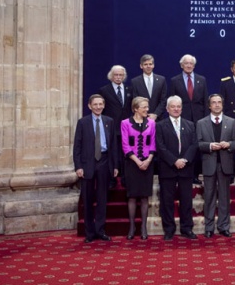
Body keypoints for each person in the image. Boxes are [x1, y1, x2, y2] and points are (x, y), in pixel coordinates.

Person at [73, 94, 119, 243]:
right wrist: (78, 166)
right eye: (95, 104)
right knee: (87, 199)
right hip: (87, 164)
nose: (98, 107)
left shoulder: (109, 122)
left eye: (100, 104)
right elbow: (77, 147)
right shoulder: (83, 122)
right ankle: (90, 232)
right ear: (89, 106)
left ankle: (100, 230)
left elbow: (113, 146)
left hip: (104, 162)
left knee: (102, 199)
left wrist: (115, 165)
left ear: (104, 105)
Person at [155, 95, 199, 240]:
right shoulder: (160, 125)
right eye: (173, 106)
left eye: (178, 106)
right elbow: (160, 147)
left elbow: (194, 145)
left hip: (186, 168)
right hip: (168, 168)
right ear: (167, 109)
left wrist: (184, 160)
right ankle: (169, 229)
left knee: (186, 200)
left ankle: (187, 228)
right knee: (167, 201)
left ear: (181, 108)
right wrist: (174, 161)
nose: (176, 109)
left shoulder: (190, 124)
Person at [197, 94, 235, 238]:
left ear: (222, 104)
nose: (216, 105)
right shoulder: (201, 123)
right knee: (209, 197)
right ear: (209, 106)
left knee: (224, 197)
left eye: (219, 102)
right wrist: (209, 146)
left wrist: (229, 145)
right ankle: (209, 228)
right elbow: (197, 144)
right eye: (214, 103)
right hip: (209, 165)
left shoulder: (231, 122)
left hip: (225, 165)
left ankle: (223, 226)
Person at [169, 54, 209, 184]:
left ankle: (196, 174)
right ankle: (182, 173)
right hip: (181, 118)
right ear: (181, 65)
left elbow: (204, 100)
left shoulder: (201, 79)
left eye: (191, 63)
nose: (188, 65)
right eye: (186, 63)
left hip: (199, 118)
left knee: (196, 146)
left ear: (194, 65)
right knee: (183, 145)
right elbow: (171, 101)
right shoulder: (175, 80)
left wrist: (206, 119)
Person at [120, 97, 156, 240]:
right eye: (144, 107)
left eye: (147, 107)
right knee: (132, 196)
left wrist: (147, 161)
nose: (147, 110)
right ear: (135, 108)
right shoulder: (125, 123)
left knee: (145, 196)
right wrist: (137, 161)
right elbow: (125, 145)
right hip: (131, 163)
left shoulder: (152, 123)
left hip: (148, 162)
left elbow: (153, 144)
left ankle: (144, 228)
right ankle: (132, 227)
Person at [98, 65, 132, 188]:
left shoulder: (129, 89)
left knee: (126, 153)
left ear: (124, 76)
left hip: (127, 128)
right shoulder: (104, 90)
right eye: (116, 75)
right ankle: (112, 179)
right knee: (113, 153)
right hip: (111, 127)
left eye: (121, 75)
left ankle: (125, 178)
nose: (118, 77)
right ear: (111, 76)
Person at [130, 54, 168, 120]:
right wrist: (145, 114)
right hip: (141, 119)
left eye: (150, 64)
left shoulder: (161, 80)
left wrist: (156, 114)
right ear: (141, 66)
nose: (148, 66)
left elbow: (163, 100)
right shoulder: (135, 82)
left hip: (158, 119)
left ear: (153, 65)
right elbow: (135, 101)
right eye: (145, 64)